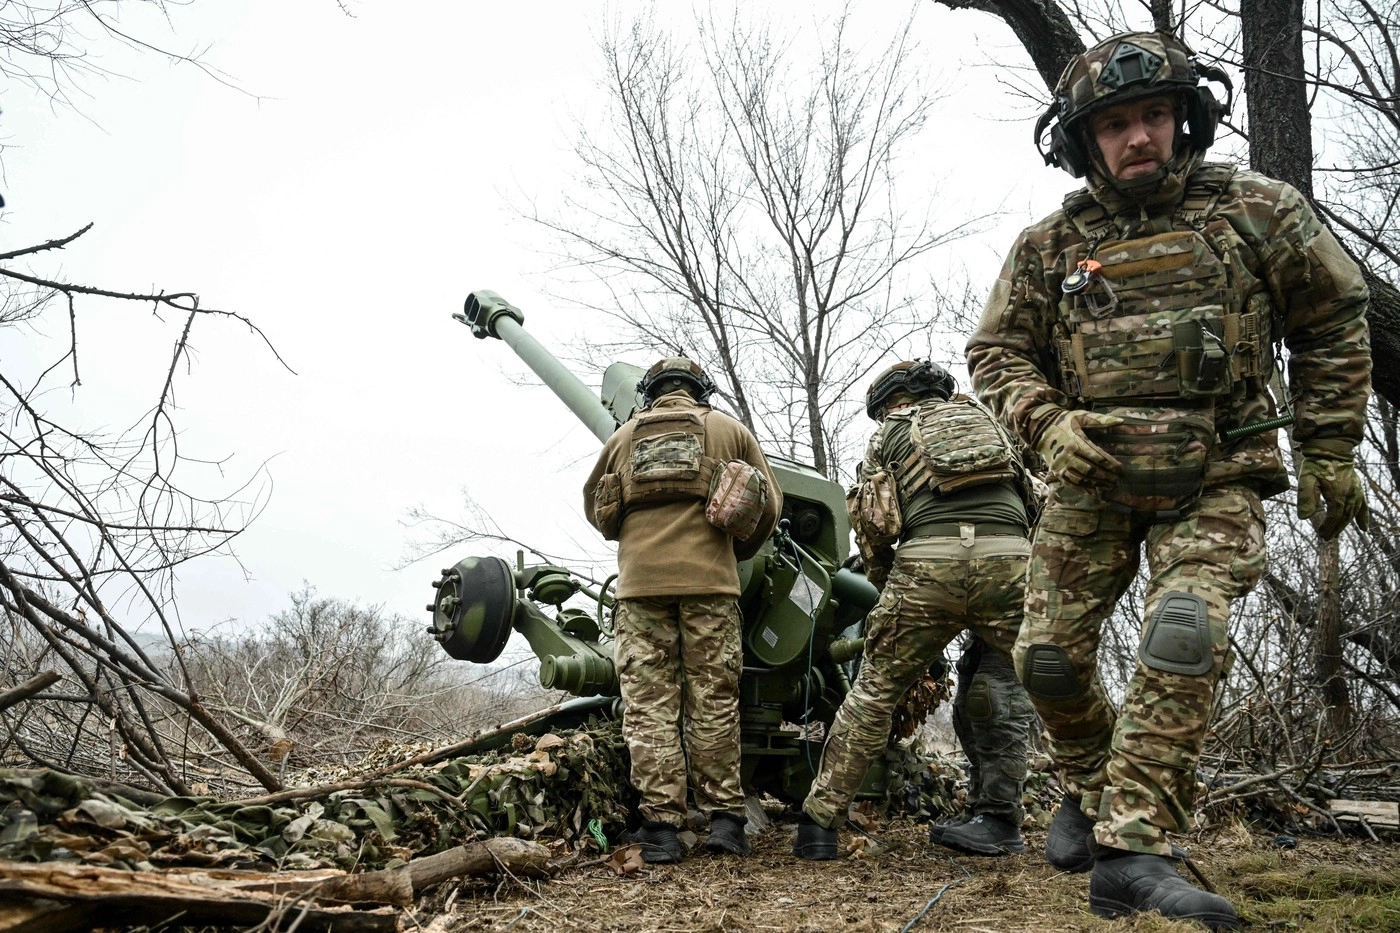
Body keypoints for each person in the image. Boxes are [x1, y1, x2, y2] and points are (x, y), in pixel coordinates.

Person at [967, 31, 1371, 929]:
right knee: (1046, 659)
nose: (1138, 136)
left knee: (1182, 631)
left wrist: (1331, 446)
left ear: (1185, 117)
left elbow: (1335, 314)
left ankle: (1134, 849)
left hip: (1215, 471)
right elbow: (996, 353)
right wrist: (1047, 423)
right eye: (1115, 123)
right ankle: (1092, 782)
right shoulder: (1051, 245)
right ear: (1084, 140)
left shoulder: (1257, 211)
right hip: (1091, 478)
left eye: (1153, 114)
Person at [794, 360, 1036, 860]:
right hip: (1011, 559)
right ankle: (1046, 818)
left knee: (874, 695)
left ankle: (819, 825)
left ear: (892, 402)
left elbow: (877, 523)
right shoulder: (993, 422)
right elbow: (1034, 501)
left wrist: (888, 589)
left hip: (928, 564)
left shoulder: (891, 434)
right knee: (1020, 685)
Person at [583, 356, 782, 864]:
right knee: (713, 700)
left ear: (651, 394)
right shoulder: (728, 430)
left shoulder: (624, 437)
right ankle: (725, 824)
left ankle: (661, 831)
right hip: (711, 587)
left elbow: (595, 507)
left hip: (639, 591)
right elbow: (770, 504)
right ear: (700, 391)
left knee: (649, 708)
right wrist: (733, 552)